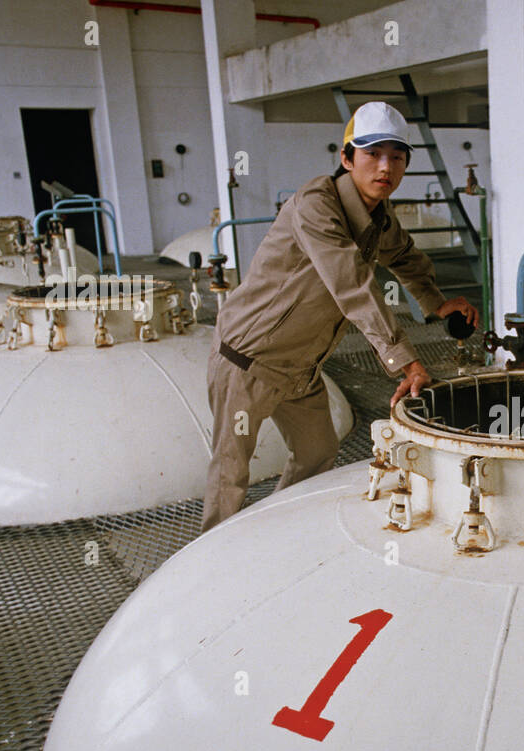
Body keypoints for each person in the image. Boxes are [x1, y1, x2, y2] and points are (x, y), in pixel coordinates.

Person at [200, 101, 479, 532]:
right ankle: (211, 571)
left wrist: (435, 302)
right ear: (347, 159)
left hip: (303, 368)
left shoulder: (379, 219)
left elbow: (406, 257)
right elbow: (351, 283)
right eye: (372, 154)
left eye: (397, 156)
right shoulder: (317, 203)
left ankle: (278, 535)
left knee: (316, 454)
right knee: (230, 476)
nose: (385, 167)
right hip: (250, 362)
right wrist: (404, 359)